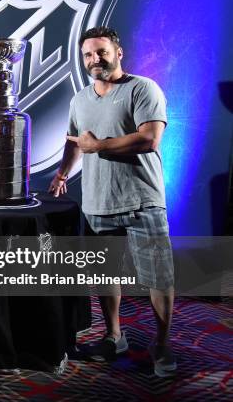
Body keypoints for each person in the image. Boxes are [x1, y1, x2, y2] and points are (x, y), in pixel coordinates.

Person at [48, 26, 176, 377]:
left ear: (118, 53)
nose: (94, 60)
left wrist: (99, 146)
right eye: (88, 54)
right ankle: (114, 336)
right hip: (98, 202)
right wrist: (62, 173)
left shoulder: (143, 88)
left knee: (157, 277)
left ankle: (162, 346)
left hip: (142, 201)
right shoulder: (80, 99)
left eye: (101, 52)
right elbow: (76, 143)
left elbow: (149, 138)